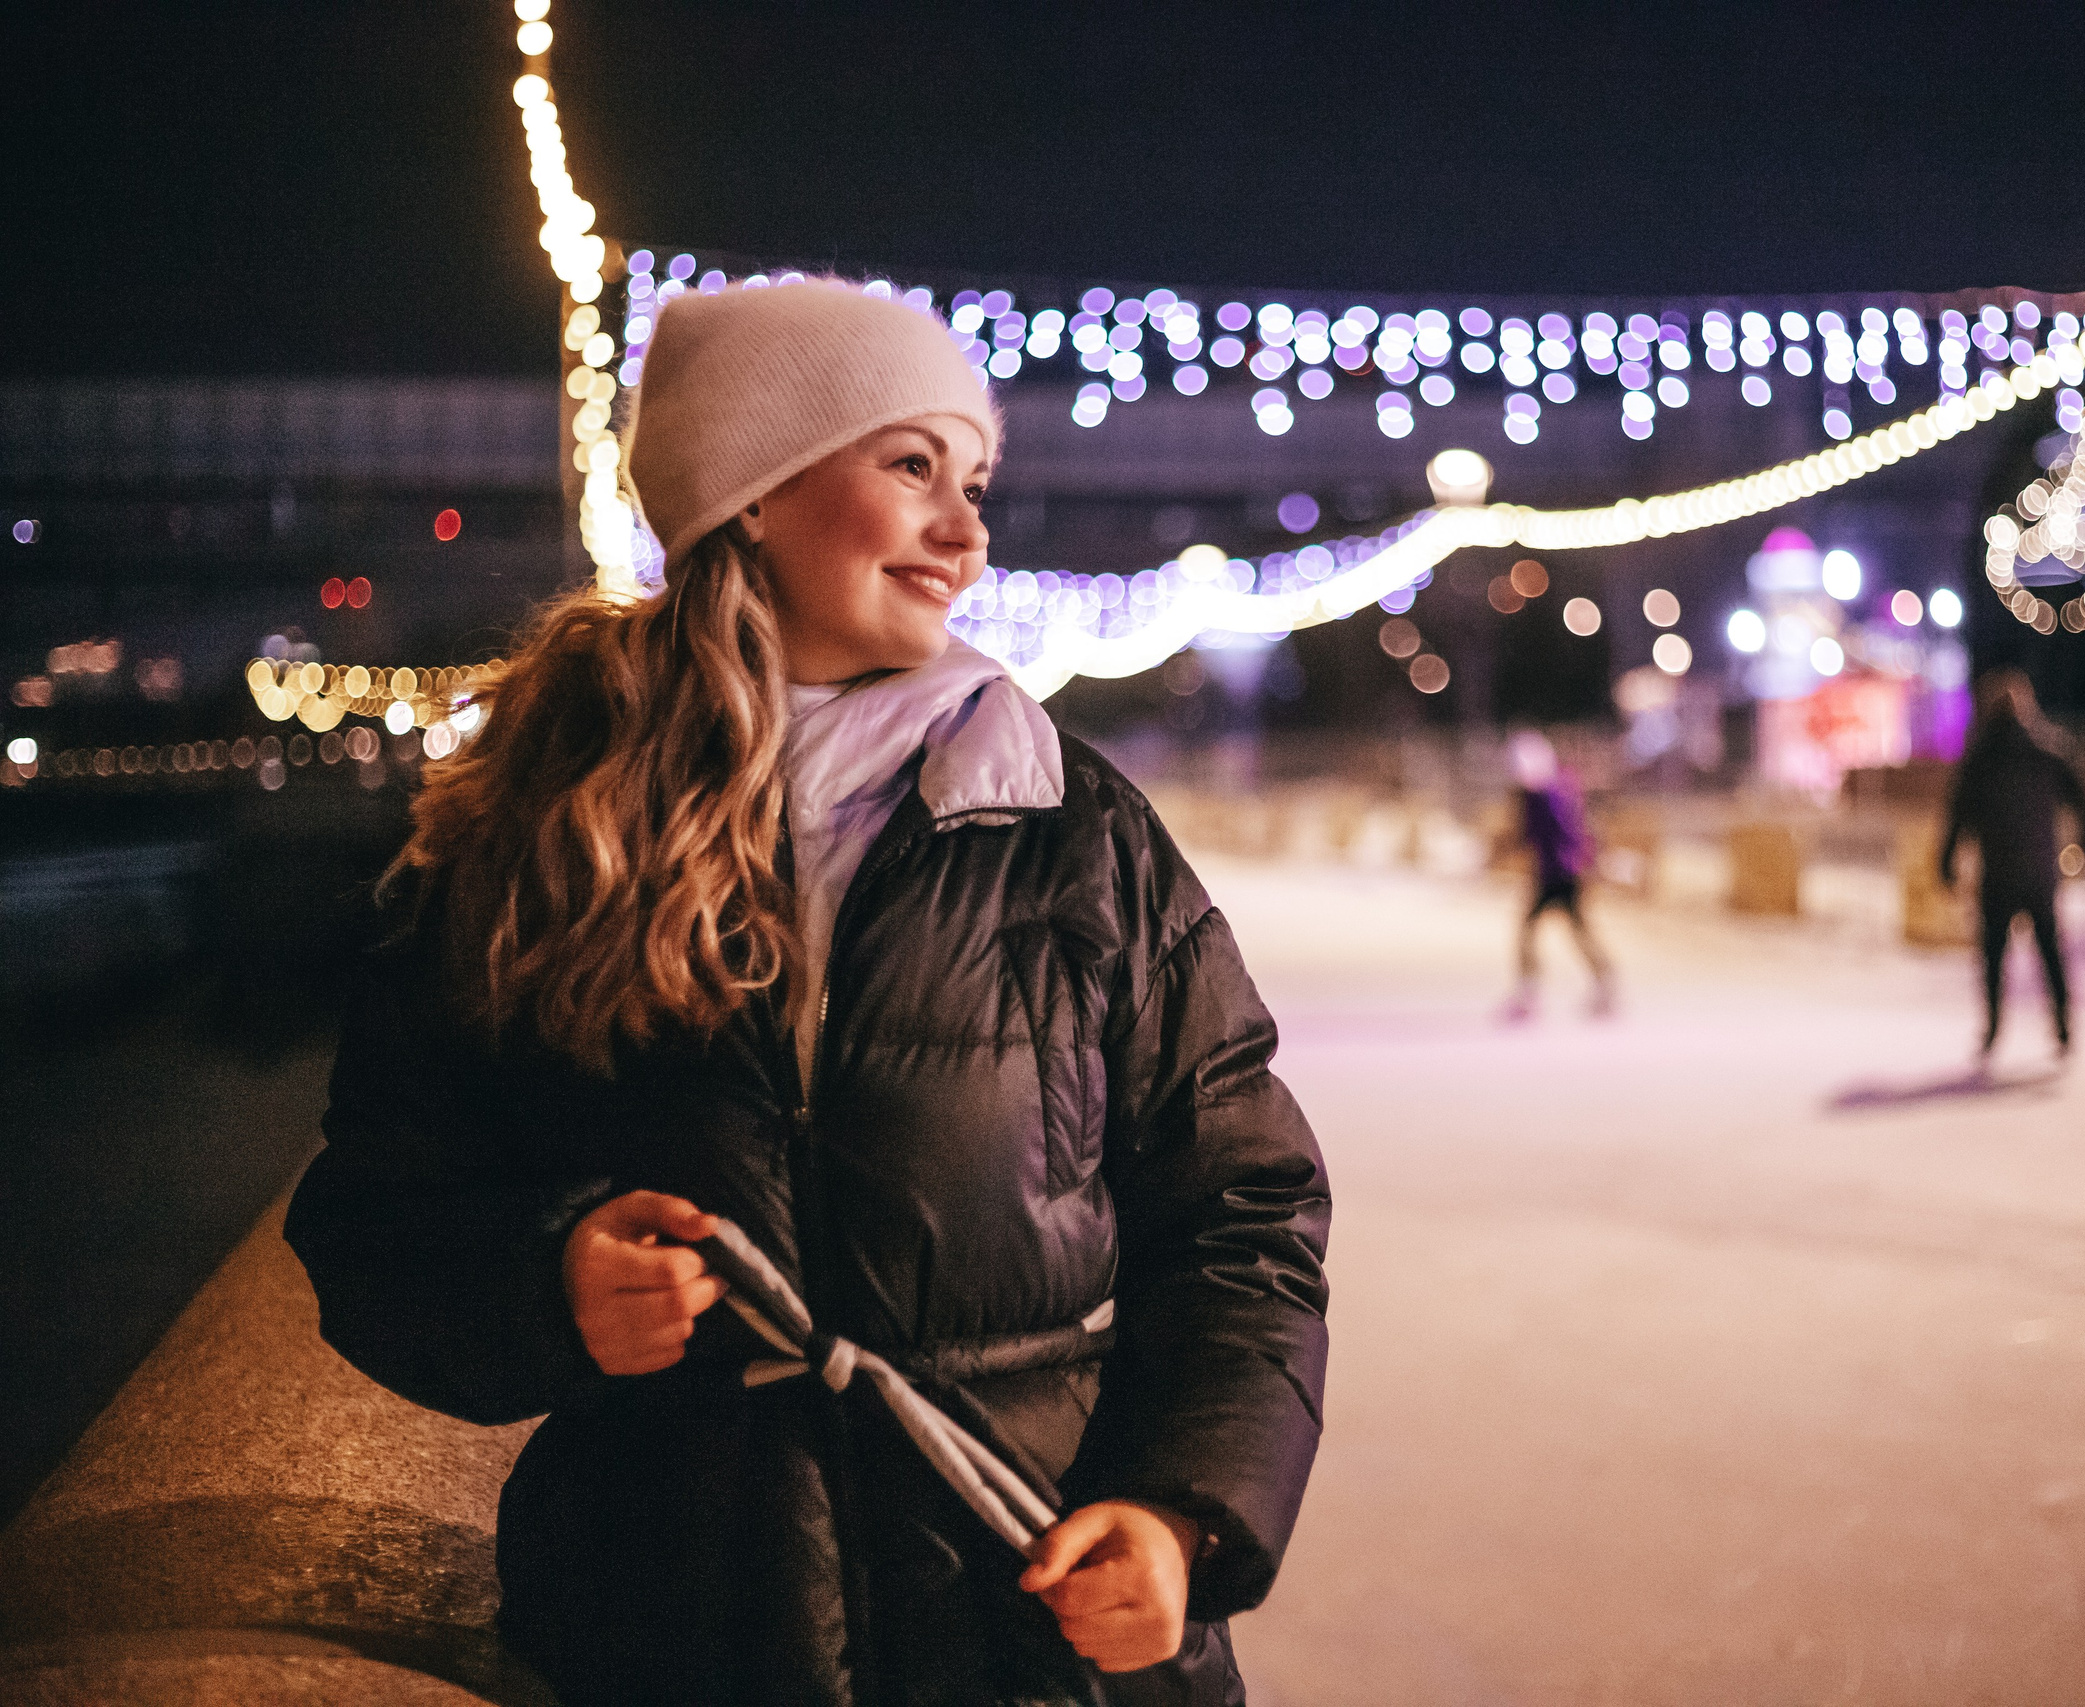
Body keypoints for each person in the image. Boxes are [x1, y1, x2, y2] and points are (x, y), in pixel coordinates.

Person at [283, 280, 1332, 1707]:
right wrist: (550, 1280)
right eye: (912, 467)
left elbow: (1241, 1212)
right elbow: (374, 1211)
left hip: (1027, 1628)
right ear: (756, 493)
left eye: (973, 481)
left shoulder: (1077, 832)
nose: (965, 531)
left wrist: (1184, 1511)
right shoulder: (534, 833)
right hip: (674, 1632)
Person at [1938, 668, 2085, 1060]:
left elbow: (1958, 818)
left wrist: (1946, 863)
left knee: (1993, 956)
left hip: (1998, 874)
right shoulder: (2048, 752)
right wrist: (2083, 848)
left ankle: (1992, 1029)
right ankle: (2062, 1027)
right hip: (2040, 873)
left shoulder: (1979, 760)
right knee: (2050, 952)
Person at [1499, 728, 1615, 1020]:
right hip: (1562, 872)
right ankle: (1603, 984)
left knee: (1533, 932)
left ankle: (1531, 992)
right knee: (1574, 931)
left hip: (1559, 874)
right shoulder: (1558, 790)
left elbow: (1537, 834)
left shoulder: (1543, 797)